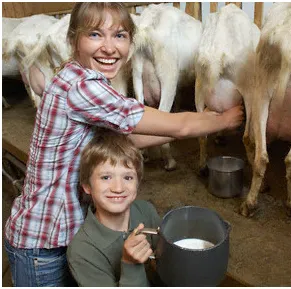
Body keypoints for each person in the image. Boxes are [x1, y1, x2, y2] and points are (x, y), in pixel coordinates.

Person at [4, 2, 244, 287]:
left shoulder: (79, 77)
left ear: (131, 41)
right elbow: (179, 125)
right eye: (95, 35)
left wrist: (193, 125)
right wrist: (225, 120)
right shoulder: (83, 88)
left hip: (58, 232)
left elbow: (129, 137)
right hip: (42, 246)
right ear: (73, 40)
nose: (109, 47)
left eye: (119, 35)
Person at [67, 129, 161, 286]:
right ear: (87, 186)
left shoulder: (146, 210)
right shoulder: (82, 251)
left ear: (138, 184)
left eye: (128, 177)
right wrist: (130, 265)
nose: (118, 188)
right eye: (106, 177)